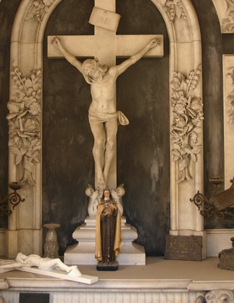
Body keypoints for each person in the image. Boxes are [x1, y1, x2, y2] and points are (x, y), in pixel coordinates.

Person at [52, 35, 160, 188]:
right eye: (87, 73)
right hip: (95, 115)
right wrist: (59, 47)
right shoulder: (89, 78)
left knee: (110, 144)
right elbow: (73, 61)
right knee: (99, 141)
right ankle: (98, 170)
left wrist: (148, 46)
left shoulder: (112, 73)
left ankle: (106, 171)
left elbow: (132, 60)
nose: (89, 74)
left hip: (110, 115)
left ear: (96, 67)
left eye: (91, 70)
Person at [0, 252, 82, 276]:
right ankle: (68, 269)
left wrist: (19, 255)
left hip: (45, 260)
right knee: (57, 260)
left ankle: (68, 270)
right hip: (43, 265)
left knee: (58, 265)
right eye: (20, 256)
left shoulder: (29, 256)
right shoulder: (26, 262)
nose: (21, 254)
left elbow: (19, 254)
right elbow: (12, 265)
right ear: (20, 260)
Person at [95, 188, 121, 267]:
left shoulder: (113, 203)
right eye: (105, 193)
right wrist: (104, 216)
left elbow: (117, 213)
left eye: (108, 193)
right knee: (104, 241)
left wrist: (115, 208)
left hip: (112, 224)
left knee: (111, 240)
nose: (107, 195)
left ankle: (112, 259)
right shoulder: (101, 204)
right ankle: (104, 259)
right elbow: (99, 215)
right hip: (104, 226)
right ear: (104, 194)